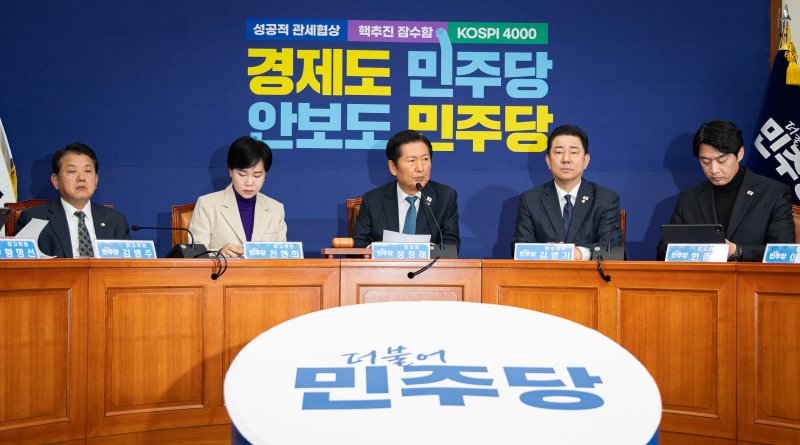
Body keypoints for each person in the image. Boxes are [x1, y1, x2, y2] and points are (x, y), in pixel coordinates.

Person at [657, 120, 795, 262]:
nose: (714, 170)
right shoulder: (688, 199)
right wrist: (696, 251)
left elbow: (784, 254)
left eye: (721, 160)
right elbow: (664, 250)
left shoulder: (773, 193)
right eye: (705, 161)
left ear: (740, 154)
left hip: (752, 276)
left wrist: (737, 251)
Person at [511, 124, 622, 260]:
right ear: (548, 161)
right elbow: (519, 247)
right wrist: (547, 251)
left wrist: (580, 253)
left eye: (574, 153)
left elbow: (612, 249)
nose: (566, 159)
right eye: (558, 152)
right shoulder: (530, 200)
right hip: (546, 273)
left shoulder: (606, 199)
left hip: (589, 273)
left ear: (586, 160)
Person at [351, 129, 460, 253]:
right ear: (393, 167)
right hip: (385, 266)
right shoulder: (373, 200)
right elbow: (358, 244)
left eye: (425, 159)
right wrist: (379, 251)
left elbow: (451, 247)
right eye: (411, 161)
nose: (420, 168)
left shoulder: (445, 197)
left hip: (429, 266)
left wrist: (422, 252)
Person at [16, 142, 130, 258]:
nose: (81, 178)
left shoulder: (116, 221)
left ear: (96, 180)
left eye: (88, 171)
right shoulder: (34, 218)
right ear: (56, 181)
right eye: (72, 171)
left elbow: (127, 265)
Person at [189, 136, 286, 256]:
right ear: (230, 171)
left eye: (257, 176)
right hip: (223, 268)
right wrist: (219, 253)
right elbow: (195, 255)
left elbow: (283, 257)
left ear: (265, 174)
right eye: (242, 174)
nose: (249, 182)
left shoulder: (276, 209)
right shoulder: (207, 204)